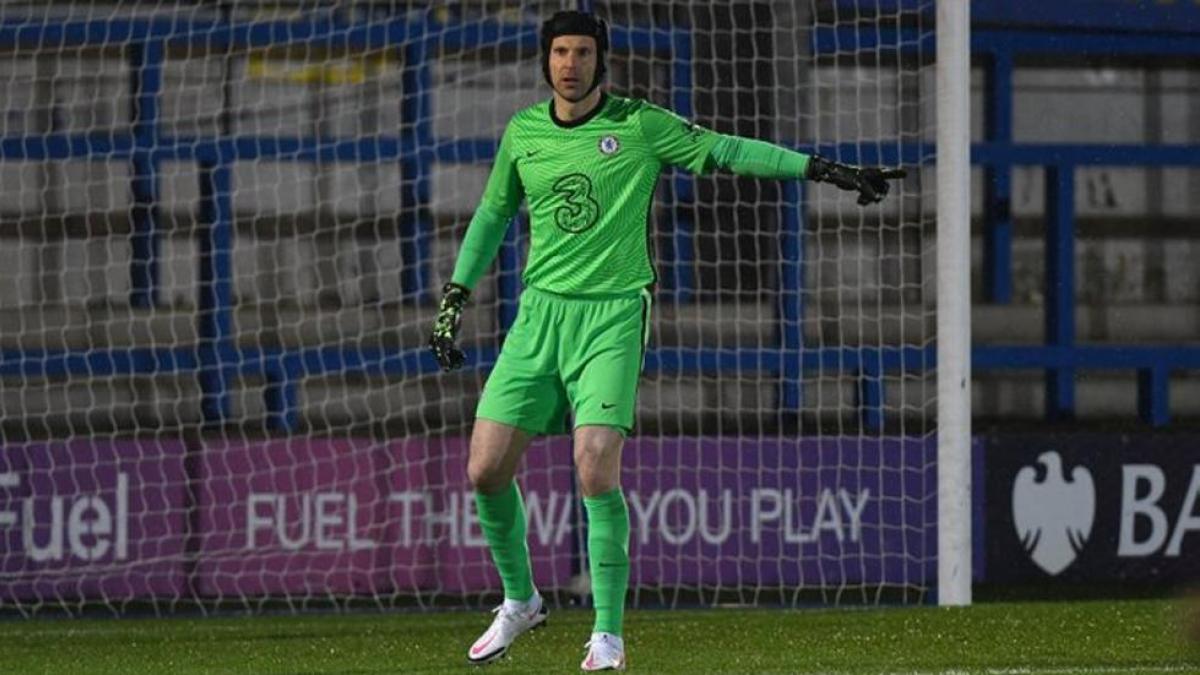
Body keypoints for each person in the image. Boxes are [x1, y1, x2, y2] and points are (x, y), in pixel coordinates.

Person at [428, 10, 905, 671]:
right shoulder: (523, 132)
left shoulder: (639, 125)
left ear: (603, 60)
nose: (571, 63)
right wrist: (456, 294)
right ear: (546, 61)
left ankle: (607, 635)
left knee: (594, 464)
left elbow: (730, 149)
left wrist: (821, 168)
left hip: (613, 315)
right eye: (560, 52)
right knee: (485, 469)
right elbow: (492, 213)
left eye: (583, 52)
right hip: (538, 316)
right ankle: (520, 601)